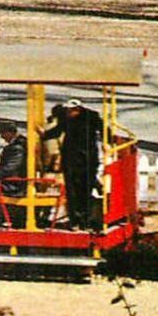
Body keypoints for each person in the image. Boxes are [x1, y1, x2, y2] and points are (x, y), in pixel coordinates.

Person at [43, 99, 104, 231]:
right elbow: (57, 131)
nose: (68, 113)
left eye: (70, 111)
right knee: (72, 192)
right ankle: (75, 220)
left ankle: (85, 221)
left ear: (77, 110)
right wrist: (44, 135)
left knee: (85, 191)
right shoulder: (67, 119)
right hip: (72, 161)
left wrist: (109, 140)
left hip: (86, 160)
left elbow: (104, 130)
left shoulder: (91, 117)